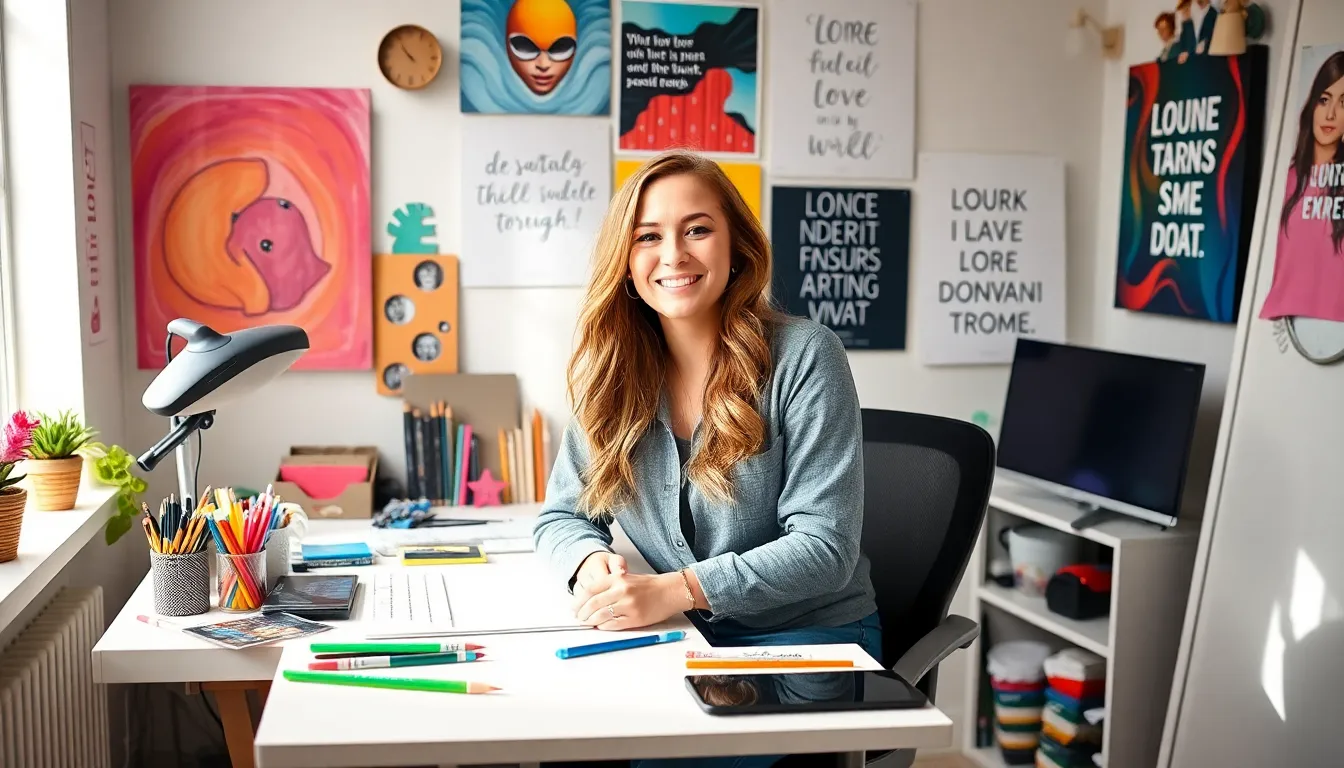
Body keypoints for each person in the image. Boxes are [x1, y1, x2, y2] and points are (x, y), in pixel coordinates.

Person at [533, 150, 881, 768]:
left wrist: (681, 589)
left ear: (735, 244)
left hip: (807, 643)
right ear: (626, 258)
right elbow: (561, 514)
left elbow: (827, 550)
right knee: (558, 735)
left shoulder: (805, 356)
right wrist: (592, 564)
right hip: (687, 639)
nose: (674, 255)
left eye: (697, 228)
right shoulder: (611, 372)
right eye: (648, 236)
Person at [1260, 51, 1344, 323]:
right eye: (1324, 100)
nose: (1330, 114)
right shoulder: (1292, 177)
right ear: (1313, 105)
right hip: (1292, 320)